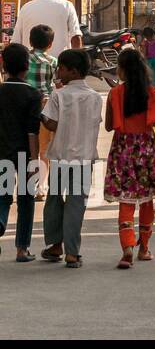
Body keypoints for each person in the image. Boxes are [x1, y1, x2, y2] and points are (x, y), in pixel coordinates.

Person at [103, 47, 155, 269]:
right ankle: (145, 248)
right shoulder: (153, 92)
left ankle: (127, 248)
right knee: (146, 199)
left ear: (121, 70)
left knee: (126, 200)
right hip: (146, 150)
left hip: (123, 149)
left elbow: (110, 126)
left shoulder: (115, 94)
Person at [39, 49, 101, 268]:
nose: (59, 72)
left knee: (55, 200)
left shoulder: (59, 95)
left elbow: (52, 124)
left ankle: (55, 245)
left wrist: (42, 112)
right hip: (84, 159)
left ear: (72, 72)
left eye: (62, 68)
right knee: (76, 204)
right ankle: (72, 253)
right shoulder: (95, 97)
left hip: (61, 156)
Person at [0, 43, 41, 262]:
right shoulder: (33, 94)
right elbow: (32, 132)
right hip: (25, 155)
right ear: (27, 67)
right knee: (26, 199)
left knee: (2, 197)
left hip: (2, 154)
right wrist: (35, 162)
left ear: (3, 65)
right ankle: (22, 249)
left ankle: (0, 220)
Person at [12, 0, 81, 56]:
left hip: (30, 65)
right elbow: (76, 37)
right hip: (61, 65)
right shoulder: (67, 6)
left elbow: (16, 41)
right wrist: (77, 63)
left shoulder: (26, 8)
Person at [25, 24, 57, 199]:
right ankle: (41, 187)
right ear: (50, 44)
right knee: (44, 149)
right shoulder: (53, 62)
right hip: (45, 108)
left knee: (28, 148)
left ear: (30, 41)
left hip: (25, 107)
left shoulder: (24, 60)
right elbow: (56, 84)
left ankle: (26, 183)